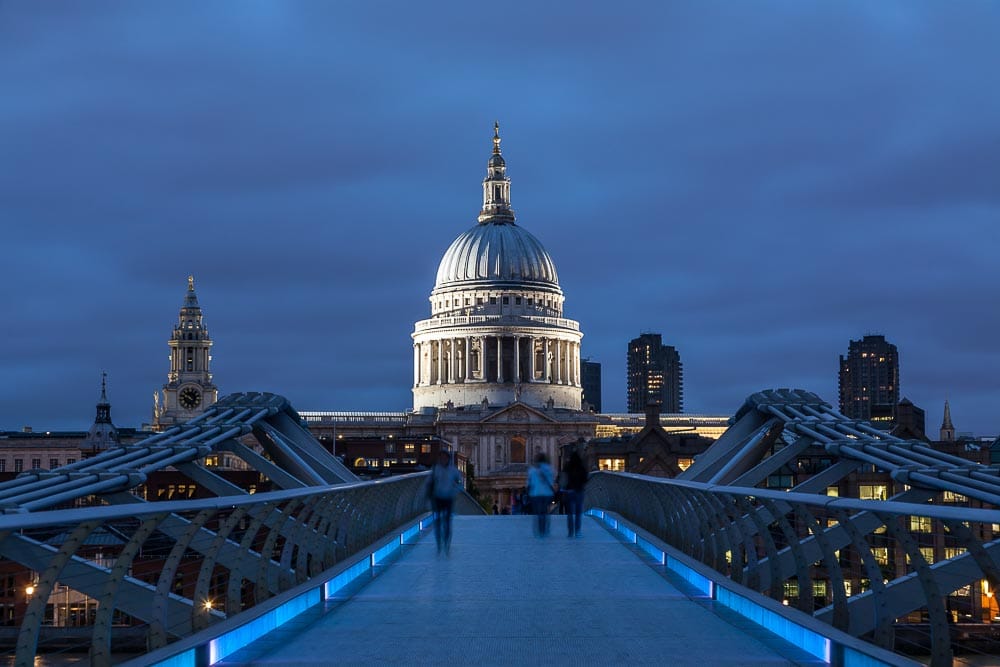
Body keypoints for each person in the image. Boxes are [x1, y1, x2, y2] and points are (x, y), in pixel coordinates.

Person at [427, 450, 462, 555]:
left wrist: (454, 492)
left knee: (447, 522)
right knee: (437, 522)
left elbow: (460, 483)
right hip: (437, 498)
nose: (443, 459)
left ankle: (446, 543)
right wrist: (429, 494)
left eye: (445, 457)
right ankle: (439, 543)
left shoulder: (454, 471)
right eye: (441, 457)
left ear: (448, 459)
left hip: (448, 499)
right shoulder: (435, 470)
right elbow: (428, 483)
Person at [527, 452, 555, 536]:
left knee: (538, 512)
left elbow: (529, 483)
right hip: (547, 493)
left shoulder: (532, 470)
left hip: (536, 493)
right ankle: (545, 530)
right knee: (545, 511)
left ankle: (539, 530)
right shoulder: (549, 469)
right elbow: (551, 481)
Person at [562, 451, 588, 537]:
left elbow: (563, 479)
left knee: (570, 513)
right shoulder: (581, 467)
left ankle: (570, 532)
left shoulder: (567, 467)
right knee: (578, 513)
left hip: (569, 491)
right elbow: (585, 479)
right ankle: (577, 532)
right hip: (579, 491)